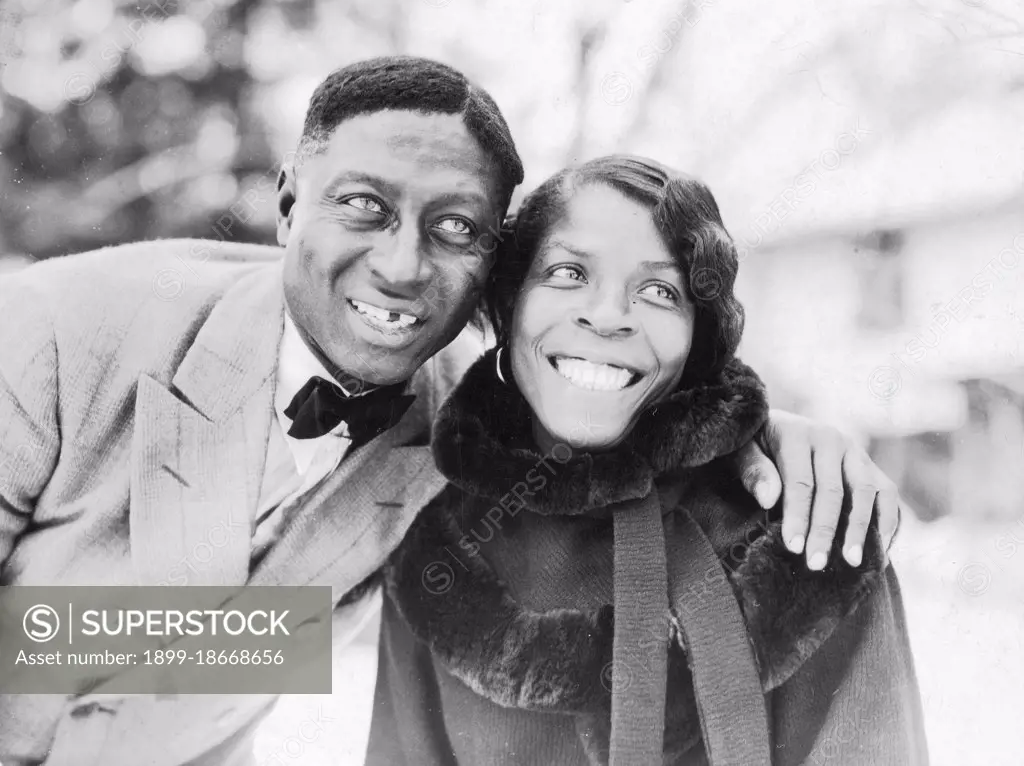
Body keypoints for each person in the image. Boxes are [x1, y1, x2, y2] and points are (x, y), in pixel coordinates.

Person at [0, 57, 901, 765]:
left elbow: (606, 378)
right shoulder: (52, 334)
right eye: (363, 206)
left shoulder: (462, 436)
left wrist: (765, 429)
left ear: (486, 284)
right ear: (286, 204)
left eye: (456, 229)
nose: (401, 266)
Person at [366, 156, 928, 765]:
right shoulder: (435, 539)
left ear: (698, 339)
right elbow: (263, 641)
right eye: (567, 272)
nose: (608, 316)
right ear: (508, 305)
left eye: (660, 291)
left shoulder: (809, 528)